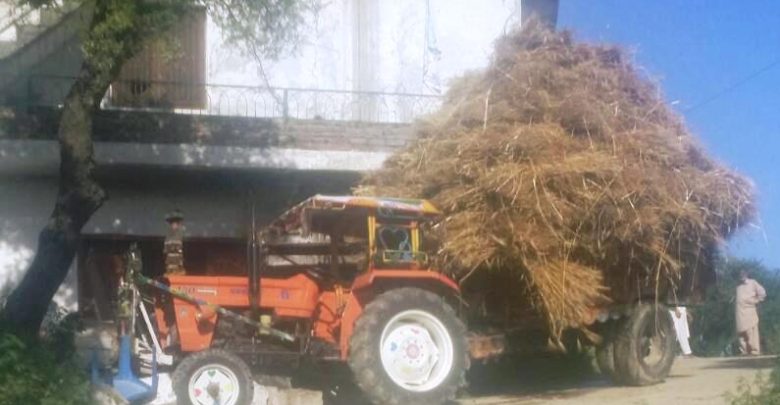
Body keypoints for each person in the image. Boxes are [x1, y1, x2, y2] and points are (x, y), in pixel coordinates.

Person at [735, 270, 766, 355]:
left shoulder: (753, 283)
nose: (741, 275)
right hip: (739, 312)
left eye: (743, 274)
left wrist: (756, 301)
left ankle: (754, 350)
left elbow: (762, 292)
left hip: (749, 311)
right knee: (741, 332)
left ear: (746, 275)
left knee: (751, 331)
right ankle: (744, 350)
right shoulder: (738, 287)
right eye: (740, 274)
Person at [164, 209, 186, 275]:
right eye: (172, 224)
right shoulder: (168, 235)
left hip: (178, 261)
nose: (174, 226)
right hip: (170, 261)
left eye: (176, 224)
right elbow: (166, 249)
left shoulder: (180, 234)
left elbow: (179, 247)